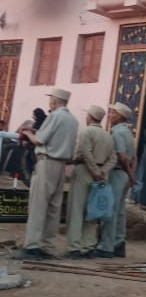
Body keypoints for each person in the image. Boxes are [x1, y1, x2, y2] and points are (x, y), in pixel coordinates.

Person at [13, 89, 79, 260]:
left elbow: (39, 140)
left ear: (55, 101)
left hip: (46, 162)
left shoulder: (55, 116)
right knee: (53, 208)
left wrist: (28, 132)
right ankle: (47, 246)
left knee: (38, 205)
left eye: (51, 100)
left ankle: (32, 245)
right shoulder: (73, 120)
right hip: (61, 164)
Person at [66, 106, 117, 259]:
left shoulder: (86, 132)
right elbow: (113, 158)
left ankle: (74, 247)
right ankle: (88, 246)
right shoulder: (108, 135)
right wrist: (102, 172)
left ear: (90, 116)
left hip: (83, 171)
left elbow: (86, 153)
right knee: (92, 211)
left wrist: (94, 171)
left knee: (76, 210)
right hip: (99, 175)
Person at [91, 102, 136, 259]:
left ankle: (106, 246)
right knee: (120, 211)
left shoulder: (117, 133)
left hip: (117, 173)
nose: (110, 116)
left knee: (110, 210)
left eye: (113, 113)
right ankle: (118, 243)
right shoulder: (128, 132)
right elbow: (133, 157)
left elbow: (122, 156)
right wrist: (131, 175)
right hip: (124, 175)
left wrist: (130, 175)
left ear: (120, 116)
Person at [4, 107, 46, 184]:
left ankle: (25, 177)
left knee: (23, 159)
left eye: (34, 115)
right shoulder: (35, 123)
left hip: (33, 148)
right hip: (28, 145)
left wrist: (27, 130)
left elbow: (37, 133)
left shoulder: (42, 124)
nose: (32, 116)